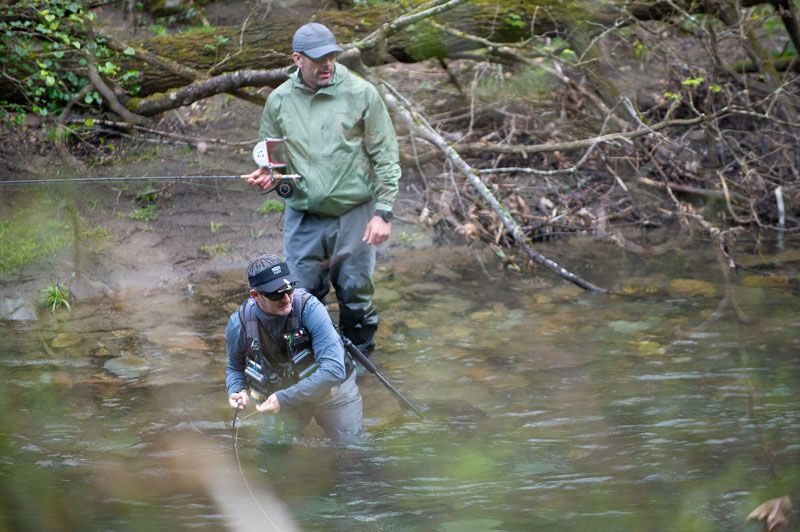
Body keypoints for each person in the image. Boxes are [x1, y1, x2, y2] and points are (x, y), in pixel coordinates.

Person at [245, 22, 401, 354]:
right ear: (297, 59)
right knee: (298, 297)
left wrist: (383, 213)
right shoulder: (279, 101)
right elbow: (274, 160)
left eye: (331, 56)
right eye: (318, 59)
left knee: (356, 296)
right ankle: (311, 367)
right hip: (304, 217)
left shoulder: (361, 93)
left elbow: (386, 155)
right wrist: (270, 176)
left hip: (355, 216)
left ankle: (358, 370)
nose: (327, 64)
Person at [225, 253, 362, 442]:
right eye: (276, 294)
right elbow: (235, 366)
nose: (286, 299)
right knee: (271, 454)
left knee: (350, 451)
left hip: (332, 392)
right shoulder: (238, 324)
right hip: (283, 394)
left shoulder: (310, 308)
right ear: (255, 295)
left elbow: (334, 370)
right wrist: (237, 389)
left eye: (289, 289)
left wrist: (284, 398)